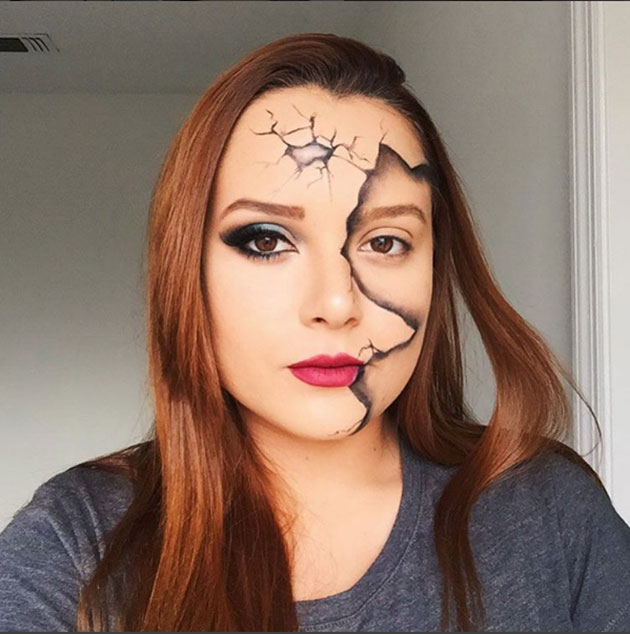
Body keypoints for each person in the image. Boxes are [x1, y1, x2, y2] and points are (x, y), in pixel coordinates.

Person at [1, 32, 629, 633]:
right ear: (186, 270)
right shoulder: (76, 542)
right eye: (267, 240)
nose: (335, 304)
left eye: (385, 242)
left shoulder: (547, 508)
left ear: (436, 268)